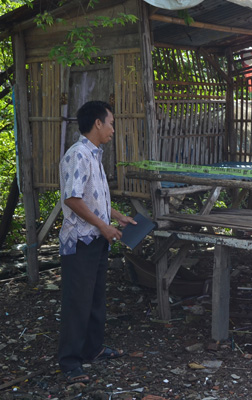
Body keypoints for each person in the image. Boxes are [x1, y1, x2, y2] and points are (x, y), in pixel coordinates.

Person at [58, 101, 136, 384]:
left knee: (94, 299)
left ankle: (92, 349)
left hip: (95, 240)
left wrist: (117, 216)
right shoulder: (77, 155)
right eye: (111, 123)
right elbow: (72, 199)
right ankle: (69, 361)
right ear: (98, 123)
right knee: (77, 302)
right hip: (80, 242)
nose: (113, 129)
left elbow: (94, 198)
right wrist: (104, 226)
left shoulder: (94, 155)